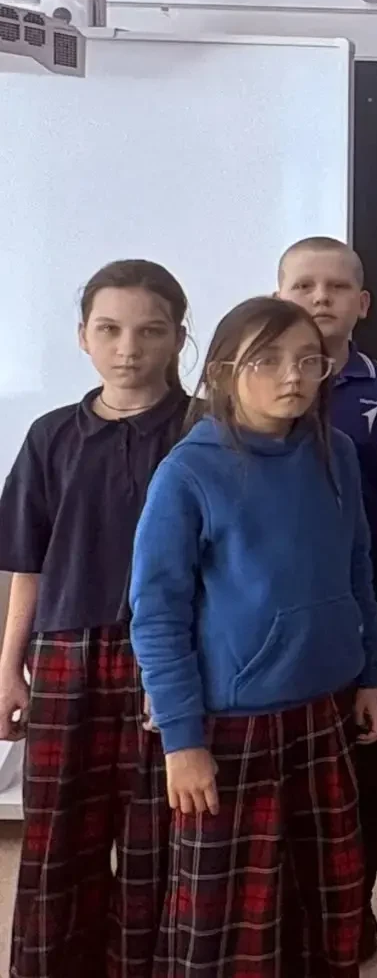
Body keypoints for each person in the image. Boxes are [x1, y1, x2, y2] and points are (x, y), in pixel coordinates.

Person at [128, 296, 377, 976]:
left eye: (308, 361)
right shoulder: (188, 472)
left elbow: (358, 565)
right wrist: (182, 740)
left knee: (326, 903)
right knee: (231, 925)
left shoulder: (337, 453)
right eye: (267, 361)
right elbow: (156, 614)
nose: (292, 376)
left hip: (322, 710)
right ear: (223, 372)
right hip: (231, 725)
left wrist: (369, 673)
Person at [0, 261, 189, 978]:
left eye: (150, 331)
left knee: (157, 837)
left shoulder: (204, 430)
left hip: (167, 657)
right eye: (109, 330)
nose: (128, 349)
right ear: (83, 336)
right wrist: (8, 669)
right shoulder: (51, 436)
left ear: (178, 338)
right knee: (58, 836)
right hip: (64, 656)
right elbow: (29, 564)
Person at [274, 235, 377, 958]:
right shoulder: (244, 392)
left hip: (364, 613)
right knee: (285, 773)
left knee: (365, 768)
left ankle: (358, 899)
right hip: (274, 627)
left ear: (363, 303)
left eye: (336, 287)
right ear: (278, 297)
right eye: (303, 285)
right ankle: (290, 904)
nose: (320, 298)